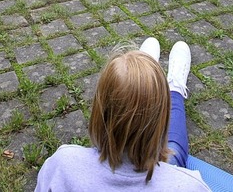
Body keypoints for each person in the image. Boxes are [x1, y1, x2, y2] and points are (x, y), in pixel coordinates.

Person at [35, 37, 211, 191]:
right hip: (165, 179)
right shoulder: (191, 186)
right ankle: (174, 87)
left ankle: (143, 78)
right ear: (162, 122)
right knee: (175, 151)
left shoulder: (62, 163)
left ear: (98, 113)